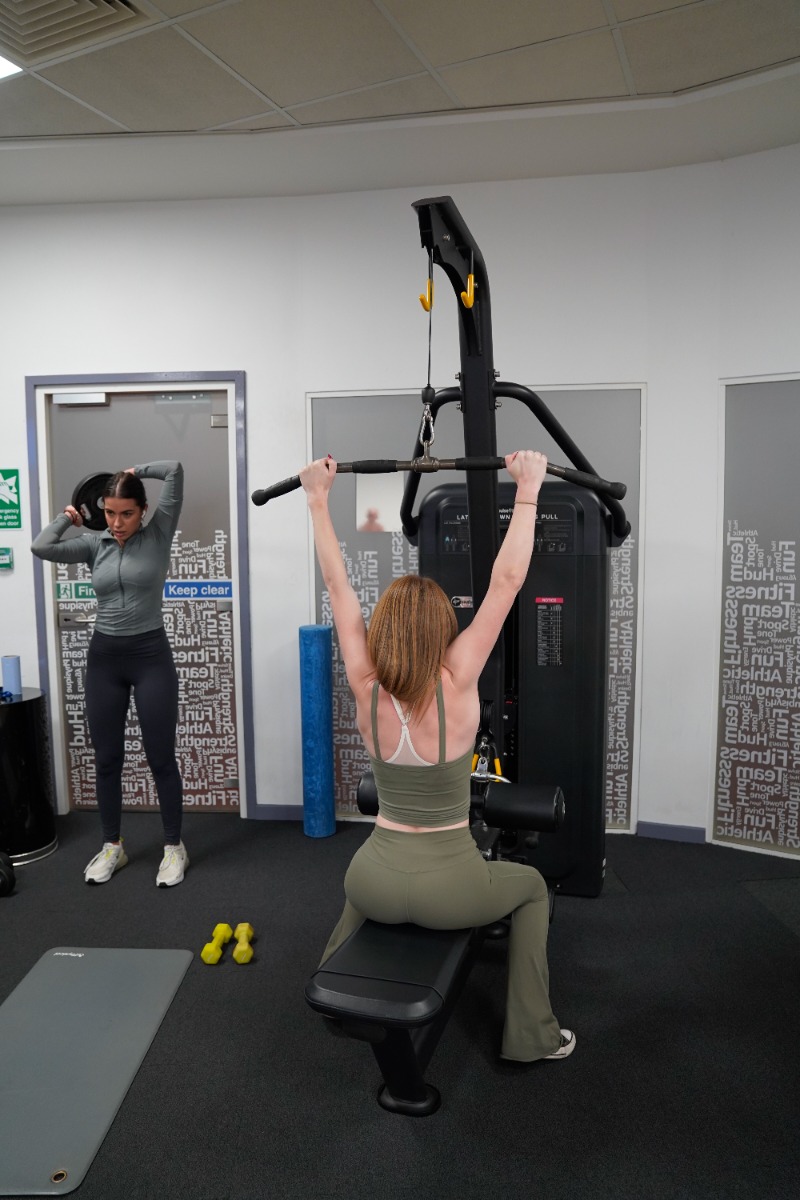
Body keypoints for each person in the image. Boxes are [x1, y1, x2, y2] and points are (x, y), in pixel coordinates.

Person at [300, 450, 575, 1063]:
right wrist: (527, 488)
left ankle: (335, 983)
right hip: (451, 889)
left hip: (369, 879)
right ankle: (532, 1036)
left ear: (383, 629)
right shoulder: (458, 678)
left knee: (367, 884)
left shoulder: (364, 682)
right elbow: (506, 582)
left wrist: (317, 498)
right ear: (442, 629)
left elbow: (338, 587)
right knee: (532, 888)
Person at [32, 462, 188, 888]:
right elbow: (41, 547)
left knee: (160, 758)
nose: (117, 523)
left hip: (151, 657)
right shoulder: (93, 544)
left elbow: (174, 471)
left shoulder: (159, 533)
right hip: (105, 660)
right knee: (107, 759)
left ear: (143, 511)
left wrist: (136, 469)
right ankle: (112, 846)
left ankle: (173, 846)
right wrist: (67, 518)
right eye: (110, 512)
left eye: (127, 513)